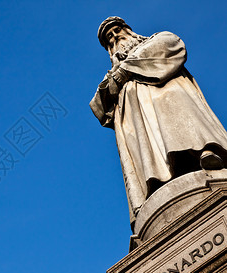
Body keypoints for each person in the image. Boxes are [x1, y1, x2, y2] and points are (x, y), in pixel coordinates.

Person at [90, 17, 227, 226]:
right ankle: (156, 184)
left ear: (128, 29)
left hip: (166, 92)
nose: (115, 37)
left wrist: (126, 70)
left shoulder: (156, 39)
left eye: (117, 30)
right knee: (148, 148)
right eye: (109, 37)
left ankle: (205, 152)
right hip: (136, 115)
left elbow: (173, 45)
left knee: (180, 117)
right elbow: (99, 106)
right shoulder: (111, 75)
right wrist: (113, 80)